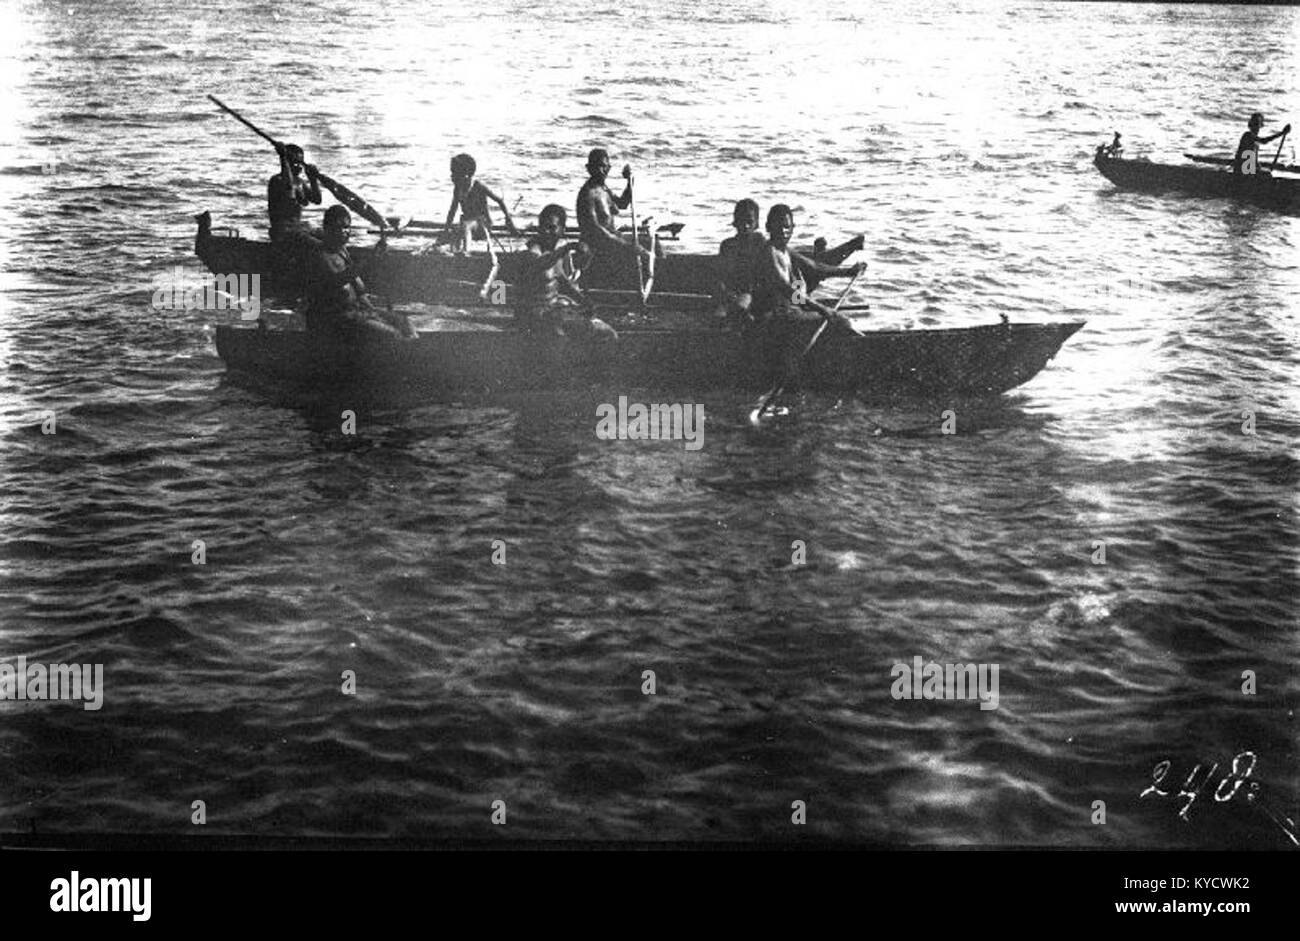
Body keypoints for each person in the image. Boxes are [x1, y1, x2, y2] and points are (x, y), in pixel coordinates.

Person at [749, 203, 865, 381]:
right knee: (842, 322)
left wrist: (848, 271)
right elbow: (787, 290)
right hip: (776, 318)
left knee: (837, 322)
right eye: (778, 226)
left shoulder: (786, 251)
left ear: (793, 229)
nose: (783, 231)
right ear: (768, 227)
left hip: (792, 312)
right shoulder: (769, 253)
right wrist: (822, 309)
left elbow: (816, 267)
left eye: (787, 227)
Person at [303, 206, 416, 339]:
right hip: (334, 319)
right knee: (393, 334)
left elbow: (359, 290)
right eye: (338, 227)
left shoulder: (342, 251)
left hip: (355, 312)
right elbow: (338, 281)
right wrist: (370, 260)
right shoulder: (320, 256)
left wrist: (373, 312)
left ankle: (412, 349)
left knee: (404, 322)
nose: (344, 232)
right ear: (327, 229)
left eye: (346, 227)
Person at [517, 204, 617, 342]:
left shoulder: (554, 253)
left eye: (552, 228)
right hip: (533, 315)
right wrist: (568, 247)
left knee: (607, 332)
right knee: (563, 337)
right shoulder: (533, 250)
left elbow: (563, 283)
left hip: (553, 312)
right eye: (543, 227)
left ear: (562, 230)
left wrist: (584, 301)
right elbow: (540, 263)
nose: (547, 231)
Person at [575, 148, 654, 264]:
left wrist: (629, 182)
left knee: (653, 244)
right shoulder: (587, 194)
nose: (602, 171)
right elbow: (596, 230)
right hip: (598, 246)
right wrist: (627, 246)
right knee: (640, 253)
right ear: (589, 168)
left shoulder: (604, 189)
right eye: (598, 166)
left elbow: (622, 204)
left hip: (614, 240)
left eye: (605, 167)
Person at [444, 153, 519, 258]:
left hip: (483, 224)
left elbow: (500, 201)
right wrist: (446, 230)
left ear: (466, 175)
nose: (451, 176)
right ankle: (455, 255)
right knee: (456, 230)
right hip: (467, 223)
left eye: (454, 173)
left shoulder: (478, 186)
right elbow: (452, 211)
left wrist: (509, 221)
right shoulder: (458, 188)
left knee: (466, 225)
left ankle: (466, 252)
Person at [716, 198, 766, 323]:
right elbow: (721, 274)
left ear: (756, 224)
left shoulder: (761, 244)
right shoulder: (727, 245)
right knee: (720, 316)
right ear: (735, 222)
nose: (745, 226)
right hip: (730, 294)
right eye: (741, 221)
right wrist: (726, 291)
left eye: (750, 221)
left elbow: (765, 277)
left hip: (753, 295)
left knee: (740, 307)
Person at [267, 142, 322, 241]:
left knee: (325, 234)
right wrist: (283, 157)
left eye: (301, 163)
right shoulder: (277, 180)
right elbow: (289, 189)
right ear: (288, 163)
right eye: (295, 163)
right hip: (282, 231)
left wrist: (313, 179)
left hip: (297, 228)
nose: (300, 166)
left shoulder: (300, 182)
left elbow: (317, 200)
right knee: (315, 243)